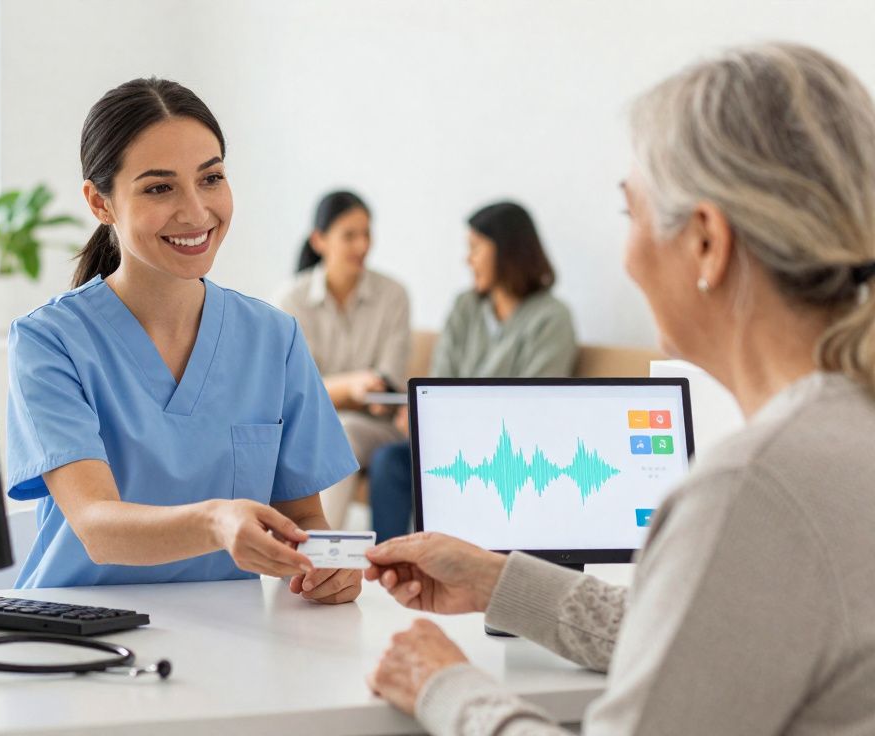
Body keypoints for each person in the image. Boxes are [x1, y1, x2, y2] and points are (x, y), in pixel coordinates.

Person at [364, 42, 875, 734]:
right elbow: (714, 641)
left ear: (706, 244)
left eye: (628, 214)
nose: (628, 253)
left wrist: (448, 689)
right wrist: (499, 582)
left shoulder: (751, 488)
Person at [4, 78, 362, 604]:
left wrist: (333, 566)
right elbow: (98, 527)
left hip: (227, 639)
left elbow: (304, 518)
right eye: (158, 187)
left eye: (211, 178)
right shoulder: (49, 342)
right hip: (76, 637)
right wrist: (216, 522)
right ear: (100, 203)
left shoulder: (273, 337)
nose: (196, 212)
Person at [368, 201, 577, 541]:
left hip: (508, 453)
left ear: (507, 252)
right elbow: (438, 379)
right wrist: (419, 412)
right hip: (447, 441)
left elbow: (533, 403)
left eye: (475, 248)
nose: (468, 260)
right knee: (389, 461)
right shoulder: (465, 307)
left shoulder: (552, 318)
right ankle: (387, 567)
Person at [278, 191, 411, 529]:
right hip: (307, 425)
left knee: (342, 432)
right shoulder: (291, 299)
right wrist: (351, 387)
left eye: (366, 234)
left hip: (374, 427)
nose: (362, 245)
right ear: (319, 240)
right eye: (349, 235)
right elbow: (289, 392)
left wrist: (360, 392)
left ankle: (320, 555)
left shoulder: (393, 296)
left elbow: (387, 385)